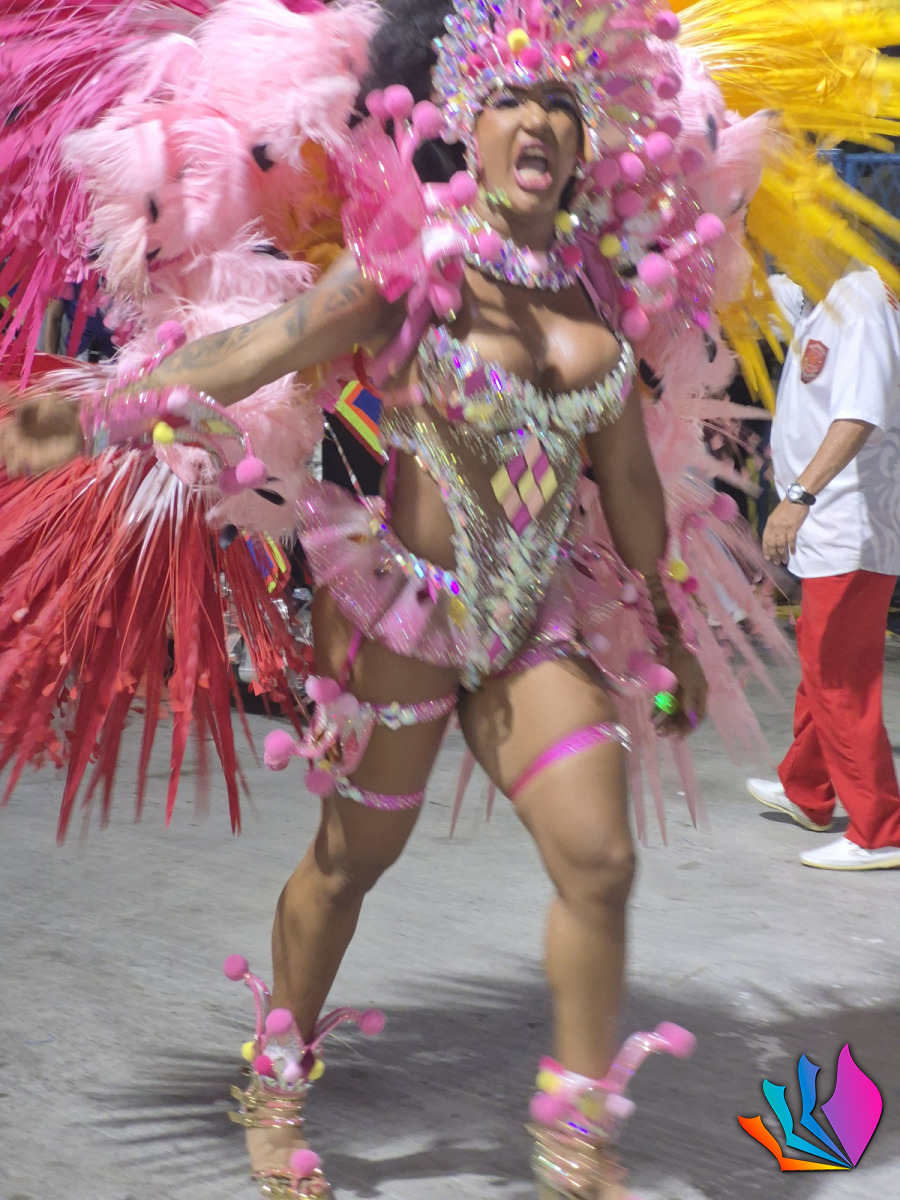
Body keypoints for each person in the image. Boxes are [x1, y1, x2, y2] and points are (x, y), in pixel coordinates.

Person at [2, 3, 900, 1200]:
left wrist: (672, 622)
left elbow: (634, 500)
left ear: (586, 142)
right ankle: (274, 1083)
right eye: (511, 101)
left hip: (539, 625)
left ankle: (575, 1137)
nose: (538, 123)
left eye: (561, 106)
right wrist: (95, 415)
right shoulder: (409, 273)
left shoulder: (601, 310)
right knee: (348, 862)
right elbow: (257, 350)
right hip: (410, 618)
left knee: (599, 860)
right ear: (465, 128)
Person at [747, 266, 900, 870]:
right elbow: (738, 291)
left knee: (839, 675)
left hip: (850, 524)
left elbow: (860, 415)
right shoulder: (816, 292)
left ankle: (880, 830)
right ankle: (808, 791)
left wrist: (798, 497)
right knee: (821, 656)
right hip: (831, 525)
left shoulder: (859, 300)